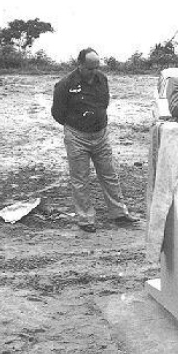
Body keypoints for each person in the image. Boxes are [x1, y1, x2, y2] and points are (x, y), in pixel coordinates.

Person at [51, 48, 138, 232]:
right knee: (80, 178)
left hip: (100, 135)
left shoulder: (102, 79)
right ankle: (85, 219)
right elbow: (57, 113)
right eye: (90, 68)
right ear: (80, 65)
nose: (94, 72)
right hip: (76, 136)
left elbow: (104, 103)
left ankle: (119, 213)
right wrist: (75, 126)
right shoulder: (65, 84)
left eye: (96, 67)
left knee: (109, 174)